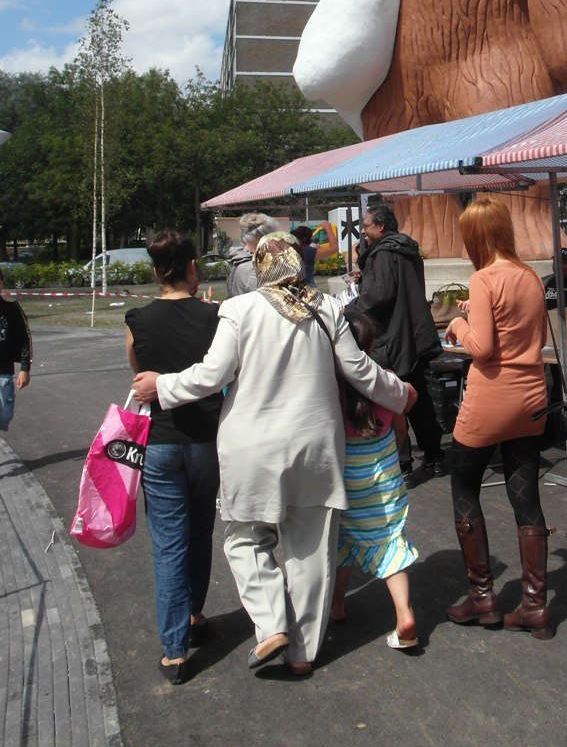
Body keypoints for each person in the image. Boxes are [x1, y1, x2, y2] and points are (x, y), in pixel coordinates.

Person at [133, 232, 414, 677]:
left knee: (245, 539)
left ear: (261, 266)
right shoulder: (326, 308)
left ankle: (270, 625)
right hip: (315, 450)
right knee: (310, 551)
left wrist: (161, 386)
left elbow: (212, 375)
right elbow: (360, 370)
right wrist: (402, 395)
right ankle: (302, 653)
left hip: (252, 449)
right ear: (298, 264)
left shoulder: (239, 309)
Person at [443, 198, 553, 639]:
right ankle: (535, 606)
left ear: (476, 237)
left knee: (464, 482)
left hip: (490, 400)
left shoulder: (483, 278)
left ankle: (483, 597)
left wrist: (457, 324)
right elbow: (528, 333)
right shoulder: (530, 276)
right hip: (531, 398)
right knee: (525, 495)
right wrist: (480, 316)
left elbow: (483, 349)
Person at [124, 232, 221, 685]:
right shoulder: (215, 316)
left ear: (156, 271)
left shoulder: (138, 319)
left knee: (168, 543)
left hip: (159, 442)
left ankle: (174, 650)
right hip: (206, 441)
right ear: (191, 267)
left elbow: (138, 372)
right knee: (200, 530)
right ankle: (195, 615)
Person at [329, 307, 419, 649]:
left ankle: (337, 604)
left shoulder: (332, 387)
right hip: (384, 478)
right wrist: (390, 455)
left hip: (347, 482)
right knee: (389, 542)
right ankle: (404, 613)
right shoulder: (386, 379)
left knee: (343, 543)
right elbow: (400, 429)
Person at [345, 203, 444, 485]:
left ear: (381, 227)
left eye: (366, 225)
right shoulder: (407, 250)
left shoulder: (383, 253)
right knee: (421, 398)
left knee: (393, 400)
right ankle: (435, 456)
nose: (362, 231)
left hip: (390, 339)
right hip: (413, 335)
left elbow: (379, 295)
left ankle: (403, 465)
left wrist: (350, 308)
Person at [0, 271, 31, 432]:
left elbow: (25, 338)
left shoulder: (11, 310)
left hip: (3, 371)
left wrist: (25, 368)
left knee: (4, 415)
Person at [225, 212, 280, 297]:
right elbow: (263, 302)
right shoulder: (254, 267)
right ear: (263, 236)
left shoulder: (237, 259)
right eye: (272, 236)